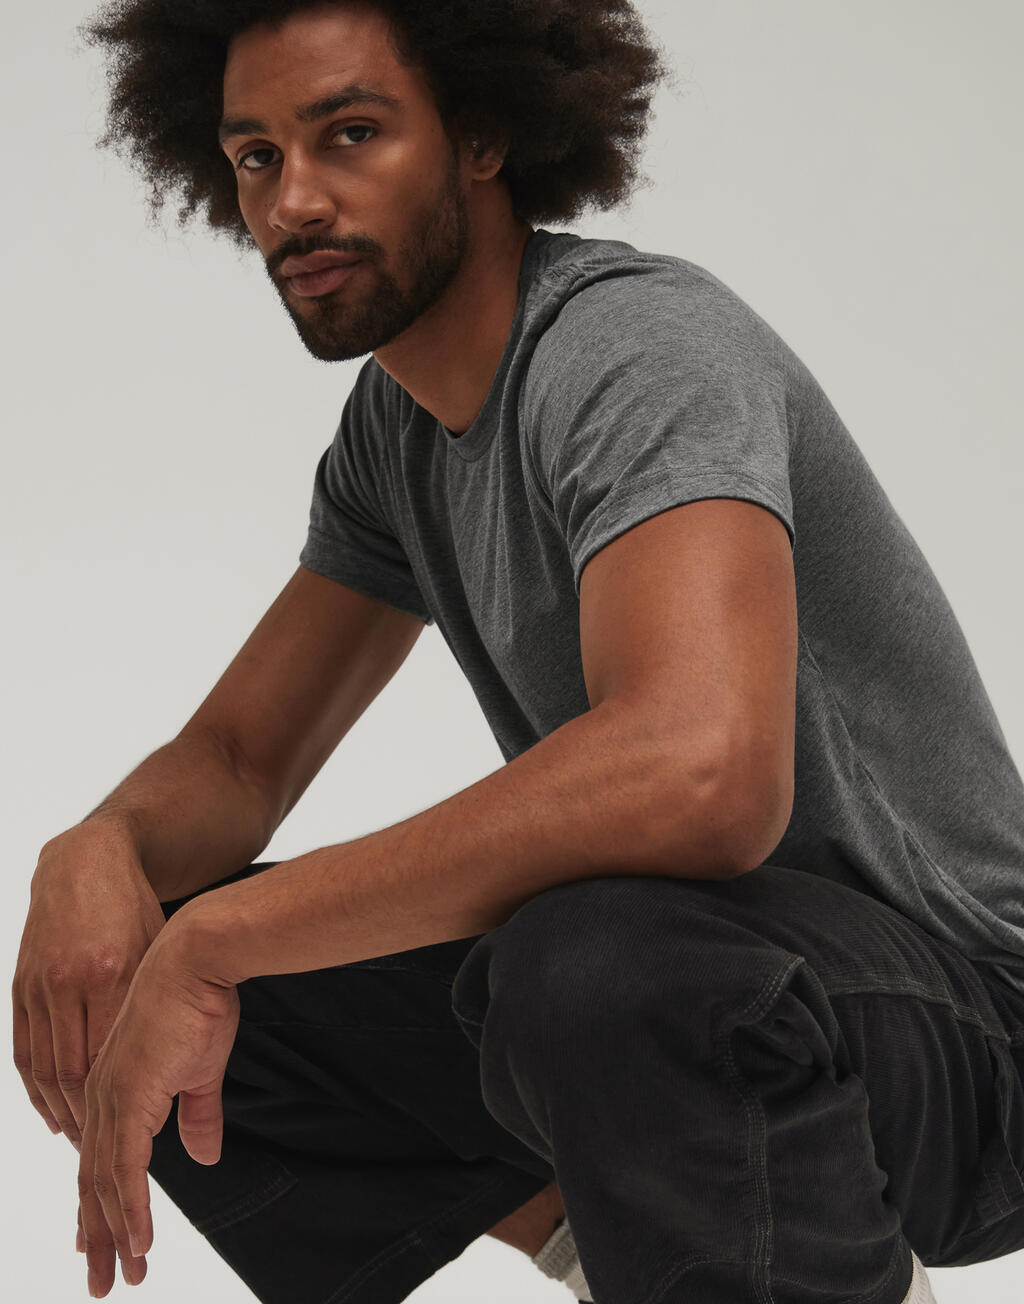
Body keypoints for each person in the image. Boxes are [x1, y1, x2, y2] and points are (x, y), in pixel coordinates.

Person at [12, 1, 1024, 1302]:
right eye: (256, 155)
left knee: (587, 957)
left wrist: (218, 943)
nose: (292, 203)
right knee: (176, 968)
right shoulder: (397, 430)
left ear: (482, 136)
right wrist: (98, 851)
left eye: (350, 134)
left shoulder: (634, 347)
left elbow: (702, 775)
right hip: (721, 990)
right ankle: (680, 1261)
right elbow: (239, 757)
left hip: (973, 1034)